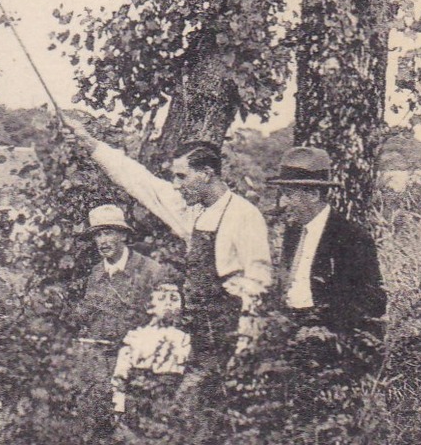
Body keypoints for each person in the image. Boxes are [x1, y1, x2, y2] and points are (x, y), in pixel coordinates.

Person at [66, 121, 272, 365]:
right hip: (196, 333)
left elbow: (258, 285)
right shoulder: (190, 210)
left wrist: (245, 348)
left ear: (206, 174)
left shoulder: (244, 215)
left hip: (230, 338)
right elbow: (140, 181)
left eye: (182, 176)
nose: (176, 184)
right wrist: (90, 143)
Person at [269, 145, 387, 374]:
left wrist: (321, 330)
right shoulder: (293, 233)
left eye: (288, 195)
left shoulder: (351, 237)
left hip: (332, 349)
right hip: (291, 339)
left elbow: (372, 301)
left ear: (313, 195)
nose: (282, 203)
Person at [75, 204, 176, 346]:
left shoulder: (151, 270)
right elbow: (89, 318)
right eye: (98, 235)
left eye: (108, 233)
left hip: (138, 354)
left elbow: (166, 322)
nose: (102, 241)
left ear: (123, 235)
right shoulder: (96, 273)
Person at [112, 282, 192, 417]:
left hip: (168, 404)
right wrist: (118, 407)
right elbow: (120, 376)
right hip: (137, 401)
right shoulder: (136, 336)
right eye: (162, 299)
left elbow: (188, 376)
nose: (168, 304)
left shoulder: (183, 339)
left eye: (174, 299)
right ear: (149, 306)